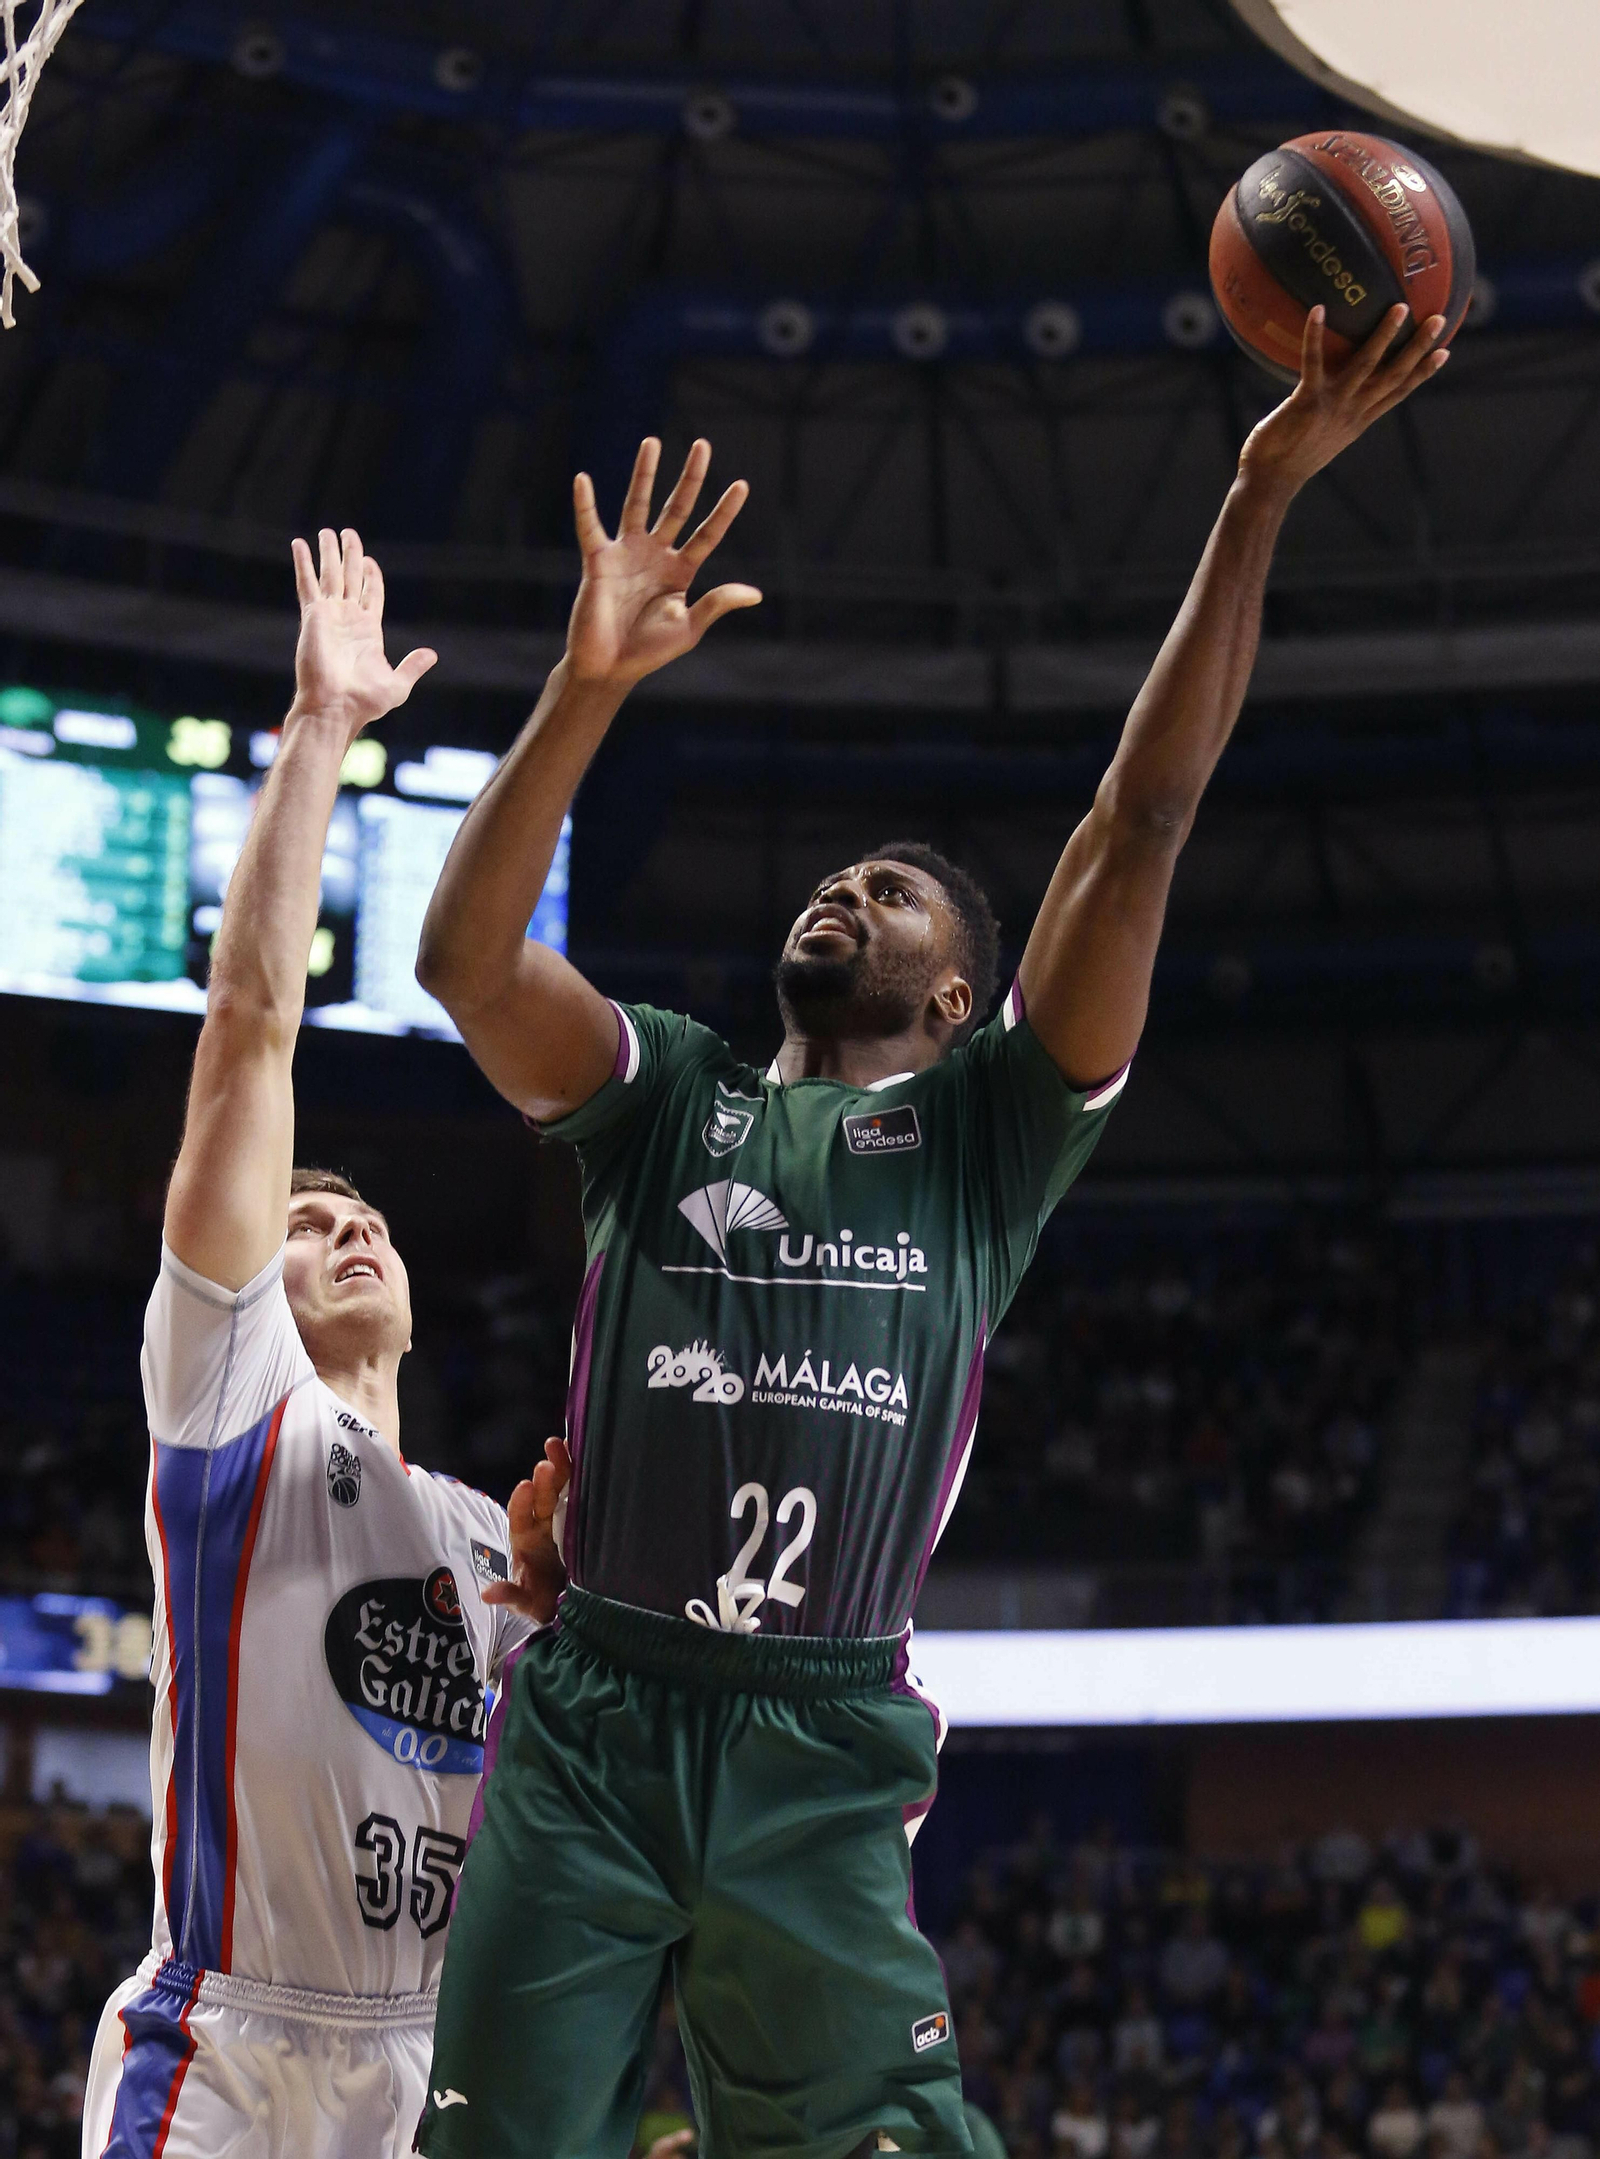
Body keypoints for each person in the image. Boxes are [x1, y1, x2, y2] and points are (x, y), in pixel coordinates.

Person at [412, 301, 1451, 2159]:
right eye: (837, 877)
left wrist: (1253, 491)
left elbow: (1140, 821)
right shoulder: (666, 1092)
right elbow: (464, 962)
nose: (846, 888)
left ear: (961, 996)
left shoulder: (987, 1135)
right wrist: (586, 689)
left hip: (819, 1740)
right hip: (598, 1719)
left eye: (891, 893)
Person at [81, 531, 565, 2159]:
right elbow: (251, 1035)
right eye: (301, 1221)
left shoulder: (503, 1545)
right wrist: (317, 733)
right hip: (227, 2040)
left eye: (363, 1216)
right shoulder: (232, 1399)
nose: (343, 1224)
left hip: (431, 2064)